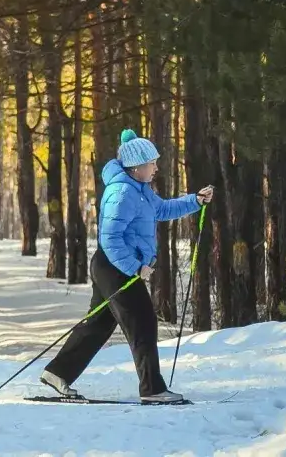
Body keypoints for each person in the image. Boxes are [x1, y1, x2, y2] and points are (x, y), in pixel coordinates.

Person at [40, 129, 213, 405]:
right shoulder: (122, 192)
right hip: (114, 266)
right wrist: (135, 267)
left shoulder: (140, 190)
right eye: (152, 163)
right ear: (136, 167)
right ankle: (152, 389)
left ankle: (57, 373)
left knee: (98, 324)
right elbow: (110, 238)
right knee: (143, 322)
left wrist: (195, 200)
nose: (156, 168)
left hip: (113, 265)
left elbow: (162, 210)